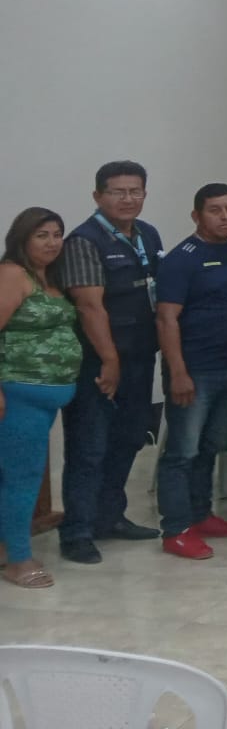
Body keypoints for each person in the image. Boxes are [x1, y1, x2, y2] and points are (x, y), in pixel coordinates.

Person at [57, 161, 164, 565]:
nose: (127, 198)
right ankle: (77, 532)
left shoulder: (148, 234)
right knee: (90, 447)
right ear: (98, 196)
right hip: (97, 363)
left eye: (135, 191)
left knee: (130, 438)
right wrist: (109, 360)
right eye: (118, 191)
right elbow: (89, 307)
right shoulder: (83, 241)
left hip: (140, 357)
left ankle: (109, 517)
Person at [153, 184, 227, 560]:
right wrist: (178, 372)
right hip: (195, 370)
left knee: (211, 445)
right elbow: (166, 318)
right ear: (197, 216)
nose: (225, 216)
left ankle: (201, 514)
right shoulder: (181, 259)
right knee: (182, 451)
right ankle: (176, 529)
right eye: (215, 210)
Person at [0, 208, 81, 588]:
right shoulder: (12, 275)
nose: (52, 242)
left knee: (19, 475)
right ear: (22, 238)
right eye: (42, 235)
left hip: (46, 399)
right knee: (23, 478)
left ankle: (7, 547)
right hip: (19, 394)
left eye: (57, 234)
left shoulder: (49, 277)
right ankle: (18, 560)